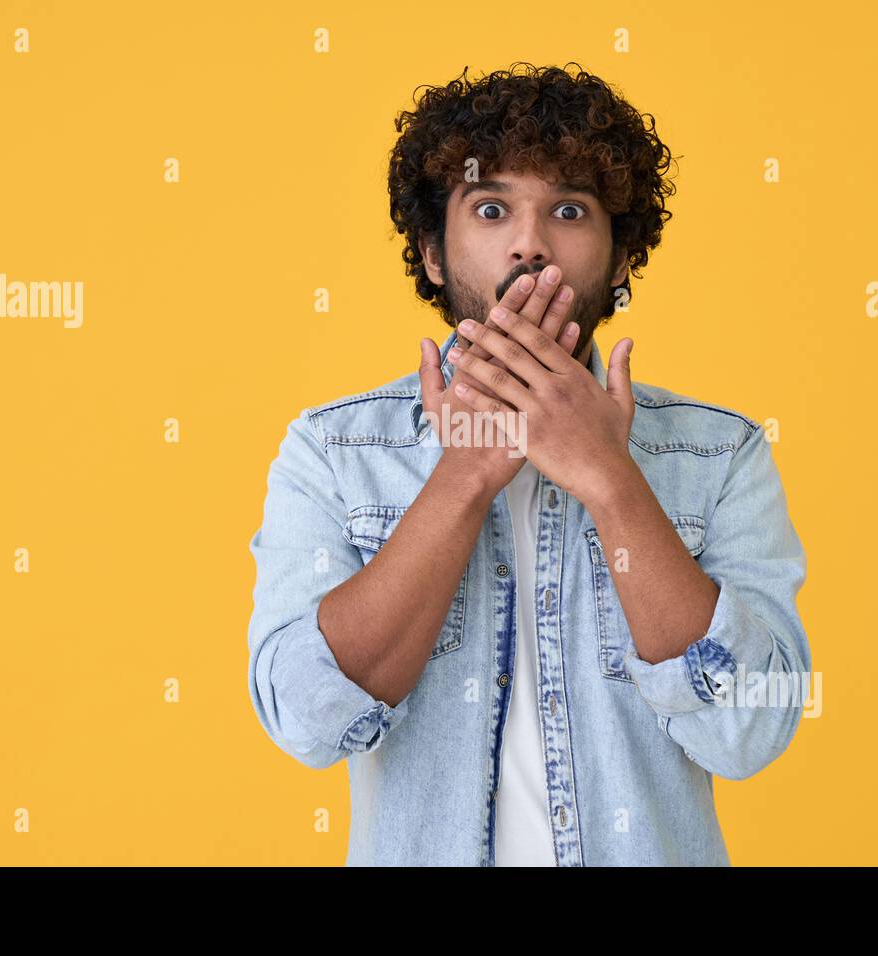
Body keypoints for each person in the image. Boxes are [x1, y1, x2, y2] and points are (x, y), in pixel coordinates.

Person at [246, 61, 811, 866]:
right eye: (490, 207)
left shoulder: (717, 454)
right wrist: (464, 476)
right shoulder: (334, 452)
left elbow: (749, 728)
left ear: (619, 261)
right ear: (434, 254)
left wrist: (611, 480)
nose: (530, 241)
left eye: (570, 210)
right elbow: (306, 722)